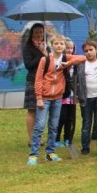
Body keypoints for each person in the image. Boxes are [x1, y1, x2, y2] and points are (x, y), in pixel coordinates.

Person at [28, 35, 85, 165]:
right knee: (40, 126)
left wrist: (68, 64)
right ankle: (33, 154)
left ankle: (50, 152)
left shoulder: (66, 58)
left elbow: (82, 58)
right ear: (52, 46)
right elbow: (38, 80)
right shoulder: (45, 60)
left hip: (58, 98)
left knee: (53, 126)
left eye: (61, 44)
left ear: (64, 46)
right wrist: (39, 98)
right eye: (56, 44)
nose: (59, 46)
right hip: (45, 98)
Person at [22, 23, 48, 145]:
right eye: (36, 32)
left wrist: (45, 52)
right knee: (32, 110)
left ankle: (38, 137)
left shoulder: (46, 47)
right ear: (32, 33)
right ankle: (32, 139)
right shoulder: (28, 47)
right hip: (32, 81)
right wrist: (41, 54)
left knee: (41, 110)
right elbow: (29, 65)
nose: (39, 34)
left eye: (41, 32)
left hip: (45, 81)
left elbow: (49, 63)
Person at [56, 38, 77, 148]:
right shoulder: (60, 60)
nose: (69, 50)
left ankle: (68, 138)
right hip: (62, 94)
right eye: (67, 48)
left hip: (73, 95)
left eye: (71, 48)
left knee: (71, 118)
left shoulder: (75, 62)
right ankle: (56, 138)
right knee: (61, 117)